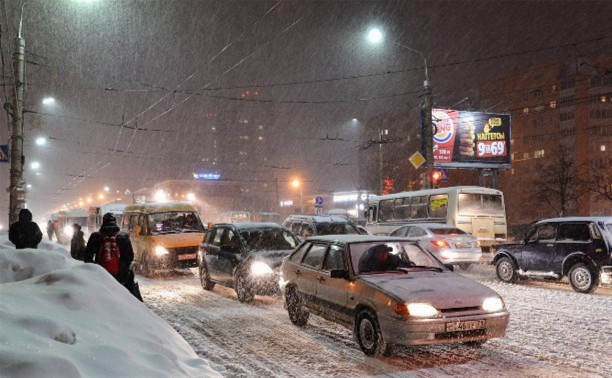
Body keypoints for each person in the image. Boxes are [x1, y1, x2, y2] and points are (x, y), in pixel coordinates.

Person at [85, 213, 134, 284]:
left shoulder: (95, 236)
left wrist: (96, 270)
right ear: (115, 222)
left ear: (103, 221)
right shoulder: (123, 237)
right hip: (120, 277)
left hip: (101, 275)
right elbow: (129, 256)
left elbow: (88, 256)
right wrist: (122, 269)